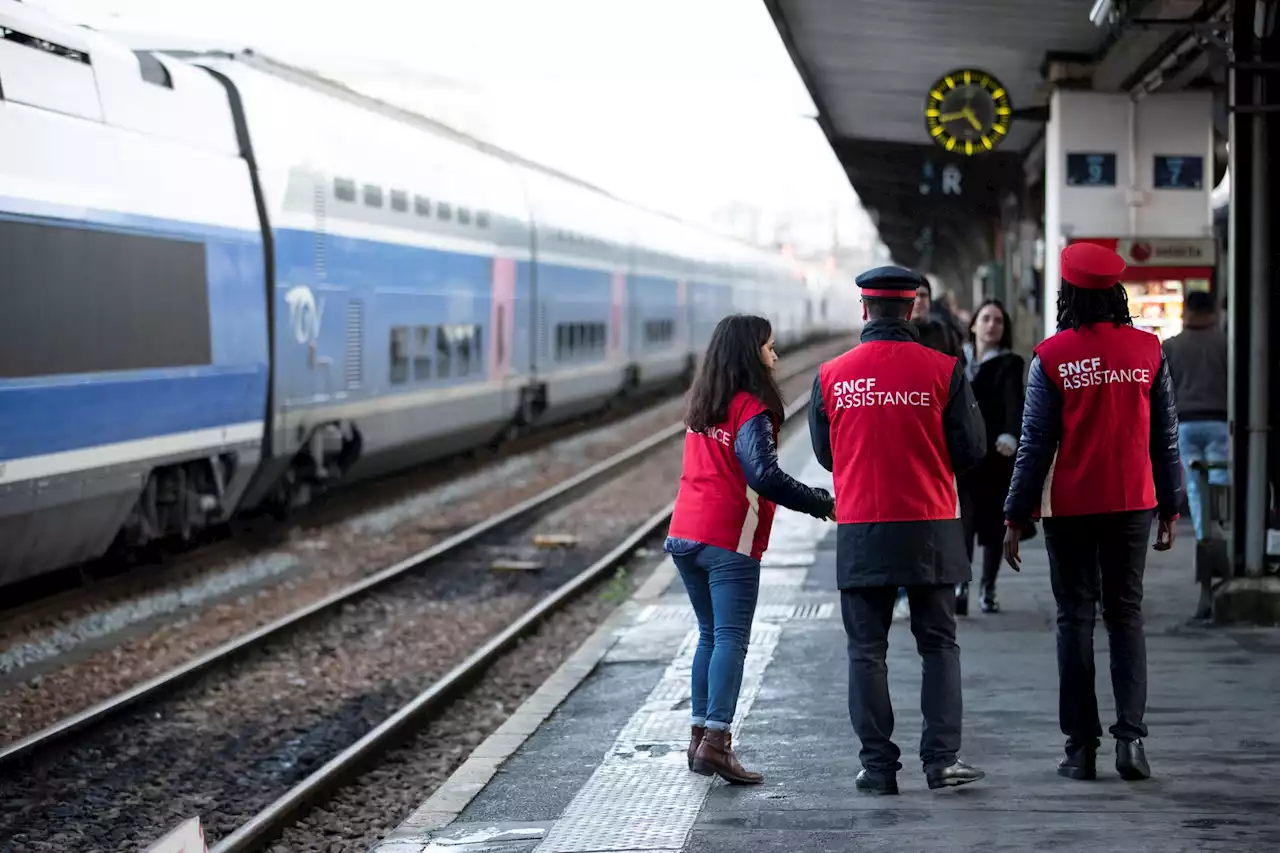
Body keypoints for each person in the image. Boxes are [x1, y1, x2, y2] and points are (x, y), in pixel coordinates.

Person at [1003, 242, 1182, 783]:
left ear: (1068, 294)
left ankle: (1081, 750)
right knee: (1126, 615)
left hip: (1071, 506)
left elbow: (1035, 443)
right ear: (1115, 293)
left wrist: (1015, 514)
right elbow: (1165, 437)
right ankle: (1132, 744)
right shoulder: (1148, 351)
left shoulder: (1051, 357)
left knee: (1074, 618)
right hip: (1132, 501)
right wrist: (1171, 505)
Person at [809, 266, 988, 795]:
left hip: (862, 526)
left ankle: (878, 768)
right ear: (912, 310)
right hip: (931, 526)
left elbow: (825, 455)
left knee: (867, 650)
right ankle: (941, 761)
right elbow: (972, 450)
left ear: (865, 310)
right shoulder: (944, 369)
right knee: (938, 645)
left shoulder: (831, 376)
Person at [665, 314, 835, 785]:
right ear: (750, 353)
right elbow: (763, 475)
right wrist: (822, 503)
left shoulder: (703, 403)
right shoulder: (752, 409)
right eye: (769, 347)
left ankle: (700, 737)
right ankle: (717, 744)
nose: (775, 356)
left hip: (685, 533)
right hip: (727, 539)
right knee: (731, 639)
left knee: (709, 635)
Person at [957, 299, 1026, 615]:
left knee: (995, 527)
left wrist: (1011, 436)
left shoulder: (1010, 364)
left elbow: (1016, 403)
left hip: (997, 459)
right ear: (973, 324)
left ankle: (988, 587)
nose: (991, 325)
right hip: (963, 458)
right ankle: (961, 583)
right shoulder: (957, 360)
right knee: (963, 523)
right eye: (985, 318)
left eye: (998, 320)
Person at [1162, 290, 1228, 541]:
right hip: (1220, 420)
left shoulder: (1171, 345)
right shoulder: (1226, 343)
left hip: (1184, 422)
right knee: (1220, 475)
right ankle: (1220, 526)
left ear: (1185, 311)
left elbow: (1162, 390)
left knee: (1194, 481)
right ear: (1212, 312)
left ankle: (1204, 536)